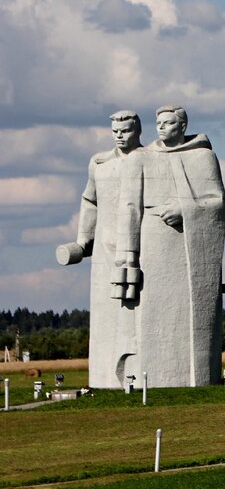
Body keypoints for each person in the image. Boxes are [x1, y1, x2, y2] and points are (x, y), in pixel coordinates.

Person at [117, 105, 225, 387]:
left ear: (182, 126)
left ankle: (195, 376)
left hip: (190, 246)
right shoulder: (139, 159)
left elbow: (217, 202)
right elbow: (129, 208)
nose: (161, 128)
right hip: (153, 242)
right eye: (158, 123)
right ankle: (152, 376)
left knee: (190, 312)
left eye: (168, 123)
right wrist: (127, 256)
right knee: (153, 310)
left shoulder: (203, 157)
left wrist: (186, 209)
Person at [56, 110, 143, 388]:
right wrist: (83, 241)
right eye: (115, 131)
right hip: (104, 249)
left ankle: (135, 373)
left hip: (139, 248)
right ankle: (105, 378)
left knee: (135, 314)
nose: (120, 136)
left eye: (126, 130)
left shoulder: (149, 160)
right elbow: (89, 201)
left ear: (138, 131)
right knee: (106, 315)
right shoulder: (99, 162)